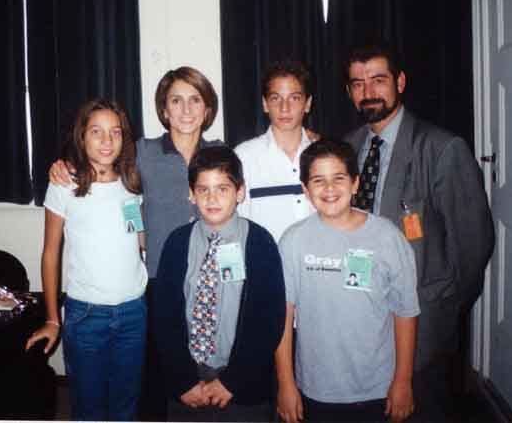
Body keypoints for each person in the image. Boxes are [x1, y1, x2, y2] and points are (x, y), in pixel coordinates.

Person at [48, 67, 222, 421]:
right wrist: (62, 165)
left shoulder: (220, 154)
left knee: (208, 372)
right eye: (176, 100)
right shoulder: (141, 154)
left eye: (195, 100)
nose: (186, 109)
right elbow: (104, 169)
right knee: (150, 389)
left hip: (209, 282)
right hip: (156, 285)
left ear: (207, 109)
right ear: (164, 109)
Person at [343, 42, 495, 420]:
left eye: (378, 80)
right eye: (358, 84)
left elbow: (473, 245)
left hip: (424, 324)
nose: (368, 91)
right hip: (364, 316)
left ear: (400, 82)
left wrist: (443, 307)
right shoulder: (348, 146)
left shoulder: (442, 148)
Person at [275, 139, 419, 423]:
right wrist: (286, 384)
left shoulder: (388, 238)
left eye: (338, 178)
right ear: (305, 189)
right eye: (318, 180)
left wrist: (403, 381)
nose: (329, 188)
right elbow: (283, 316)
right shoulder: (293, 241)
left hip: (377, 387)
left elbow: (405, 312)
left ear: (355, 183)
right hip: (314, 388)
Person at [26, 99, 148, 421]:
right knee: (88, 409)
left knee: (126, 407)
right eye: (97, 131)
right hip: (86, 316)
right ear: (82, 136)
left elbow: (137, 237)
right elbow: (50, 253)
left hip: (133, 312)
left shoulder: (131, 184)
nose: (107, 141)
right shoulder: (64, 184)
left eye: (115, 132)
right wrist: (52, 319)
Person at [153, 146, 285, 422]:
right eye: (203, 190)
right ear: (191, 194)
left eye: (222, 189)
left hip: (242, 385)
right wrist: (183, 380)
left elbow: (268, 320)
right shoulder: (177, 243)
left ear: (240, 192)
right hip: (188, 382)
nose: (212, 198)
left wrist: (232, 382)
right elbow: (164, 316)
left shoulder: (260, 243)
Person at [235, 60, 316, 242]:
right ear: (265, 104)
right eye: (275, 98)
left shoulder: (324, 155)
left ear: (307, 104)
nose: (284, 108)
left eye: (294, 98)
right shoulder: (243, 156)